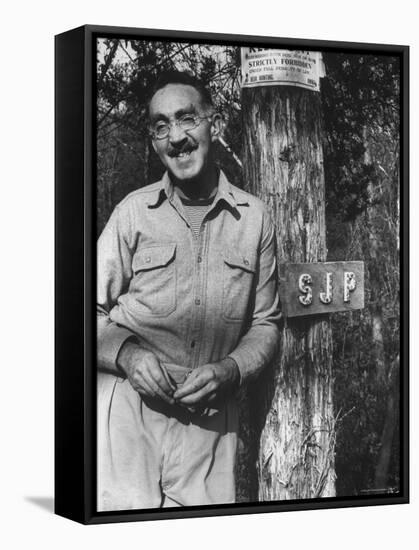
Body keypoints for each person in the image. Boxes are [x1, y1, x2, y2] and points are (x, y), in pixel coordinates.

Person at [97, 70, 280, 511]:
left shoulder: (254, 219)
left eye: (186, 119)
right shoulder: (132, 213)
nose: (176, 137)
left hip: (210, 428)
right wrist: (127, 355)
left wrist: (231, 370)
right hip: (128, 418)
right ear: (153, 141)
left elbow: (266, 323)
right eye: (161, 126)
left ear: (213, 123)